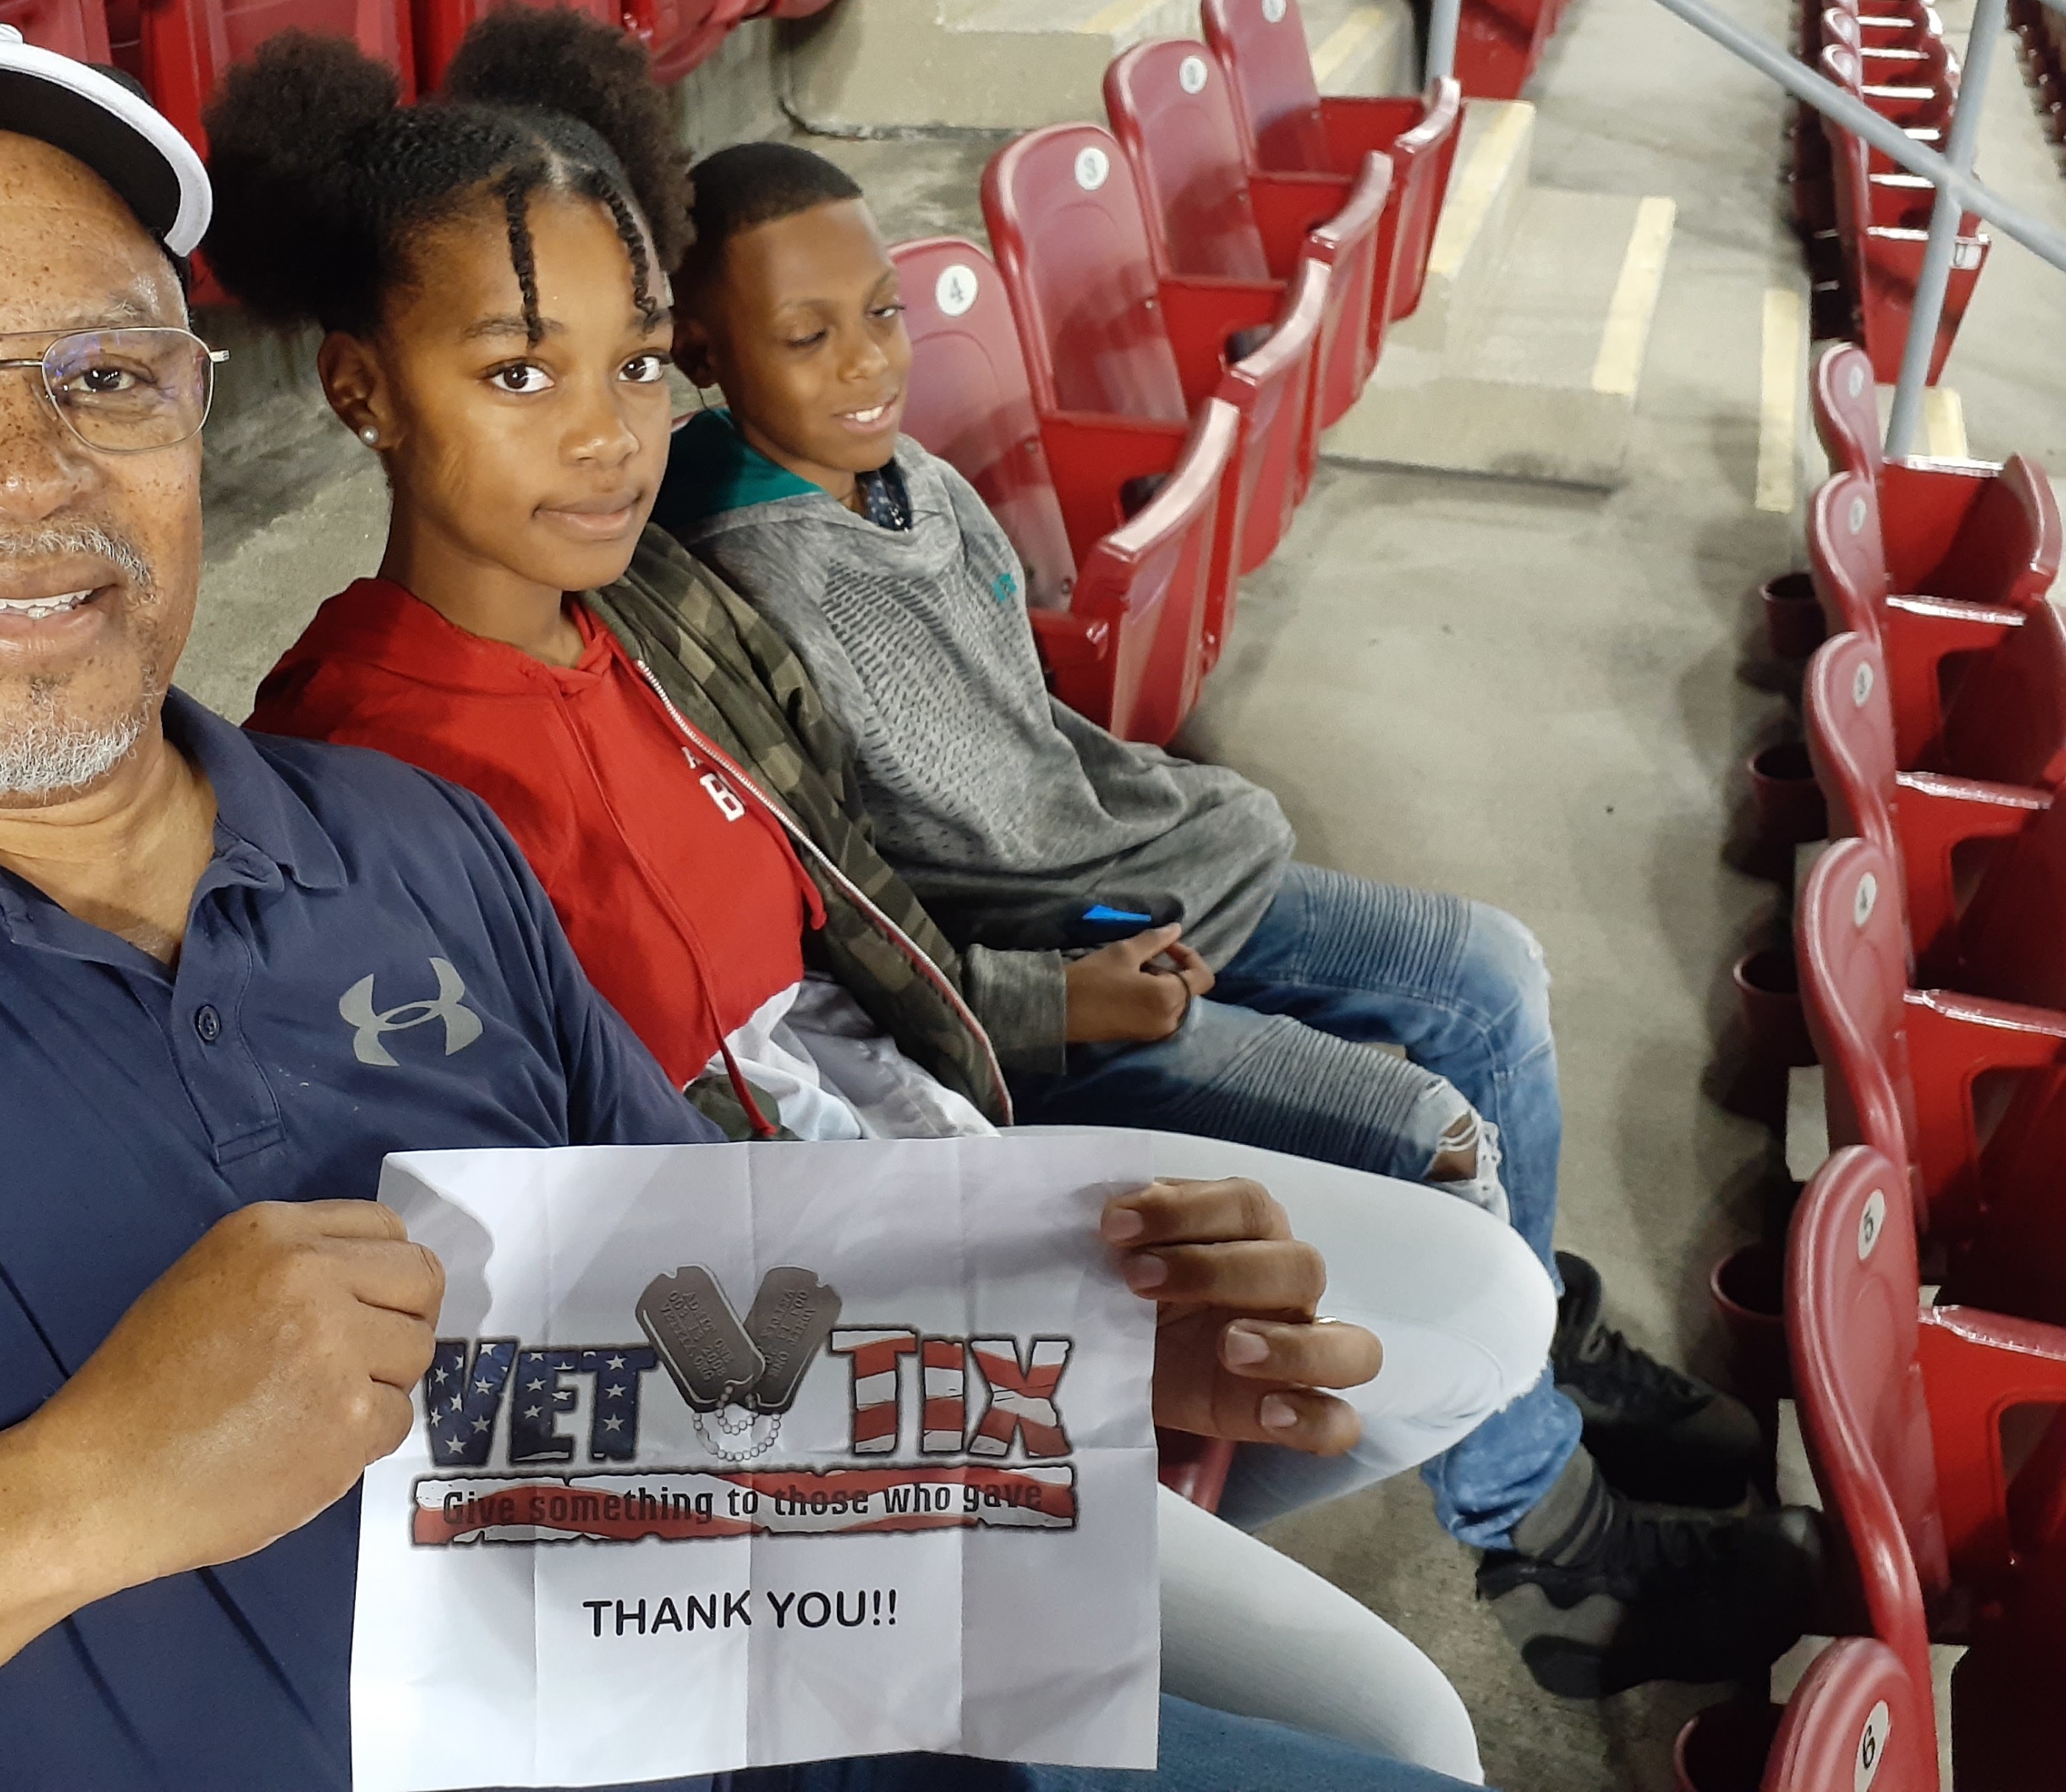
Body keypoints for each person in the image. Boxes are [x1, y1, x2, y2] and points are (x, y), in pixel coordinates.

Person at [0, 0, 1411, 1792]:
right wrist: (71, 1497)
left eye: (109, 375)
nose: (29, 470)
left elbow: (700, 1338)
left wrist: (1040, 1342)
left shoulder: (407, 846)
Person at [654, 139, 1827, 1703]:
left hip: (1144, 877)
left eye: (881, 313)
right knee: (1429, 1136)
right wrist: (1063, 987)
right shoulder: (745, 576)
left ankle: (1536, 1341)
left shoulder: (902, 476)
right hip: (1038, 990)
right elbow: (870, 915)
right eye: (810, 338)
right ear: (702, 351)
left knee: (1490, 974)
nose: (870, 364)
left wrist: (1182, 825)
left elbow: (1039, 742)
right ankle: (1541, 1527)